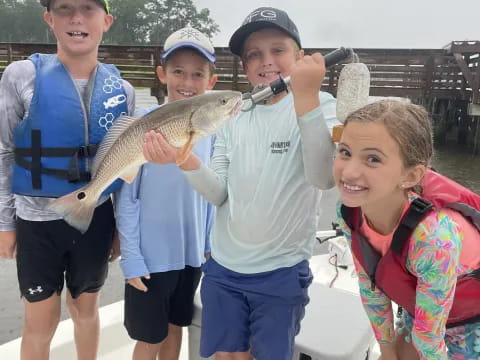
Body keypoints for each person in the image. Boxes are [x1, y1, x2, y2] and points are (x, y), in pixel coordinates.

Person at [142, 7, 339, 360]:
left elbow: (322, 178)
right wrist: (183, 159)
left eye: (277, 50)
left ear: (299, 55)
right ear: (245, 66)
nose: (266, 61)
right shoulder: (234, 114)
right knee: (225, 356)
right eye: (254, 54)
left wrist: (306, 100)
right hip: (224, 268)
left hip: (281, 270)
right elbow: (218, 193)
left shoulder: (321, 105)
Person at [0, 0, 135, 359]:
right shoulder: (19, 77)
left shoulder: (124, 91)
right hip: (35, 222)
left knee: (86, 312)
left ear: (106, 21)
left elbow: (127, 167)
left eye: (88, 8)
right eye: (64, 8)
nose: (76, 17)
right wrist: (5, 223)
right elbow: (4, 152)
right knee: (40, 322)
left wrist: (122, 228)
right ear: (49, 18)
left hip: (95, 219)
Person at [334, 100, 480, 359]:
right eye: (345, 152)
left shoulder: (433, 238)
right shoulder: (350, 211)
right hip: (426, 306)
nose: (349, 171)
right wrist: (387, 350)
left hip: (472, 320)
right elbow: (370, 287)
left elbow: (428, 338)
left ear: (410, 176)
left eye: (372, 159)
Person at [115, 26, 217, 360]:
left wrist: (207, 246)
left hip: (191, 256)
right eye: (178, 72)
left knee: (176, 328)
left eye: (197, 74)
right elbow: (127, 200)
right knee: (149, 338)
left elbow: (211, 195)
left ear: (210, 81)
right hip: (150, 258)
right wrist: (131, 257)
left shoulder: (213, 130)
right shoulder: (141, 125)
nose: (187, 82)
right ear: (162, 74)